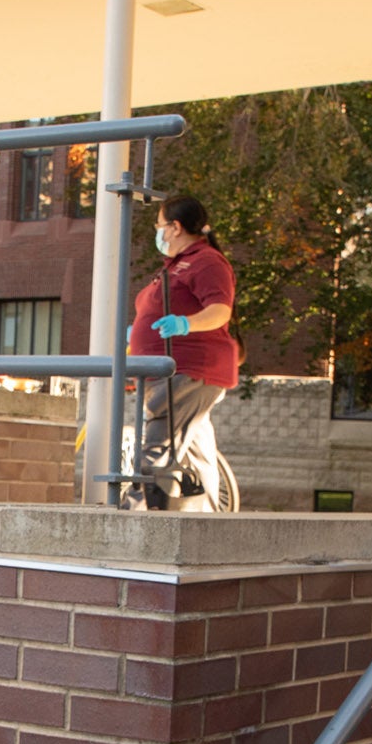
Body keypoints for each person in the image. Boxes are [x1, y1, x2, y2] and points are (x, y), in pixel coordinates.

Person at [127, 194, 240, 510]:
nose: (158, 232)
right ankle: (212, 519)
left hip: (188, 370)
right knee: (195, 451)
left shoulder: (206, 261)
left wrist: (183, 325)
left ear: (175, 227)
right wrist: (140, 333)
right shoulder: (176, 265)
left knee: (157, 448)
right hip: (173, 369)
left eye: (159, 225)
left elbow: (220, 310)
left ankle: (136, 515)